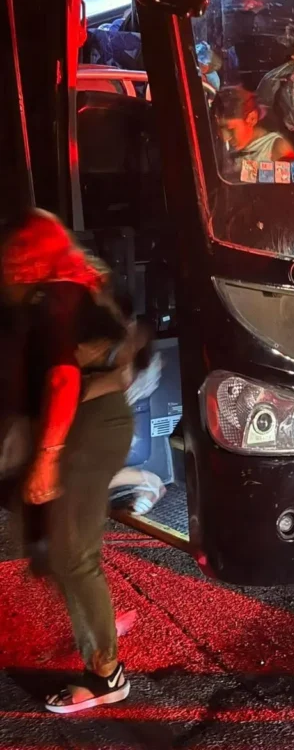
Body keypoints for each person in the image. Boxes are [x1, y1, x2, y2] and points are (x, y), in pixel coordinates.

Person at [1, 210, 142, 714]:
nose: (7, 265)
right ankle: (95, 621)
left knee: (71, 554)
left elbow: (62, 379)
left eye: (14, 255)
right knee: (56, 544)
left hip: (81, 428)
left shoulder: (54, 298)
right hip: (77, 424)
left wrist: (46, 459)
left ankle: (107, 675)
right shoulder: (66, 287)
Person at [212, 86, 294, 170]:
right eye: (219, 128)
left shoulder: (278, 149)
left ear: (252, 119)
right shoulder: (217, 144)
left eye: (231, 130)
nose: (224, 138)